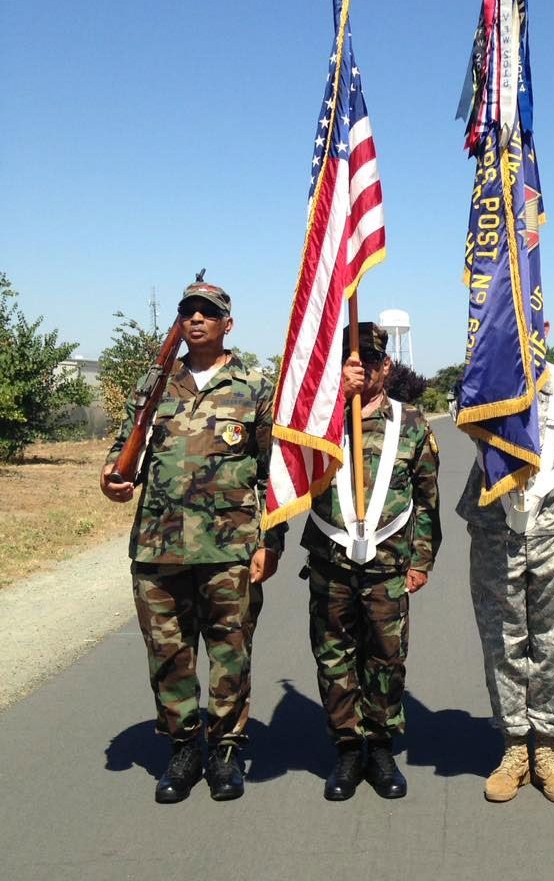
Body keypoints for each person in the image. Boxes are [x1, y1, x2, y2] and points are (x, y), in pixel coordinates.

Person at [100, 280, 285, 804]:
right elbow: (124, 453)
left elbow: (277, 475)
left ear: (229, 323)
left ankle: (226, 749)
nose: (197, 318)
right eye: (188, 312)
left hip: (230, 549)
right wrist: (112, 479)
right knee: (168, 652)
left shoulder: (254, 385)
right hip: (158, 546)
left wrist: (272, 540)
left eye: (209, 312)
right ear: (179, 323)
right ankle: (182, 746)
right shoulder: (154, 385)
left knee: (231, 651)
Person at [456, 361, 554, 804]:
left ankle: (546, 749)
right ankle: (514, 749)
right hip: (494, 529)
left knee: (553, 643)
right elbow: (462, 419)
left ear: (543, 326)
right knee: (503, 641)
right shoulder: (485, 375)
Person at [300, 322, 441, 802]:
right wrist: (334, 400)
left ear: (386, 366)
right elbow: (286, 476)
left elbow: (426, 500)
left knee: (386, 658)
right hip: (330, 560)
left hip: (388, 564)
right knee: (334, 657)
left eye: (370, 361)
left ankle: (380, 748)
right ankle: (345, 747)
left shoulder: (412, 423)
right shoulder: (316, 421)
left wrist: (421, 559)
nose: (360, 368)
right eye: (349, 360)